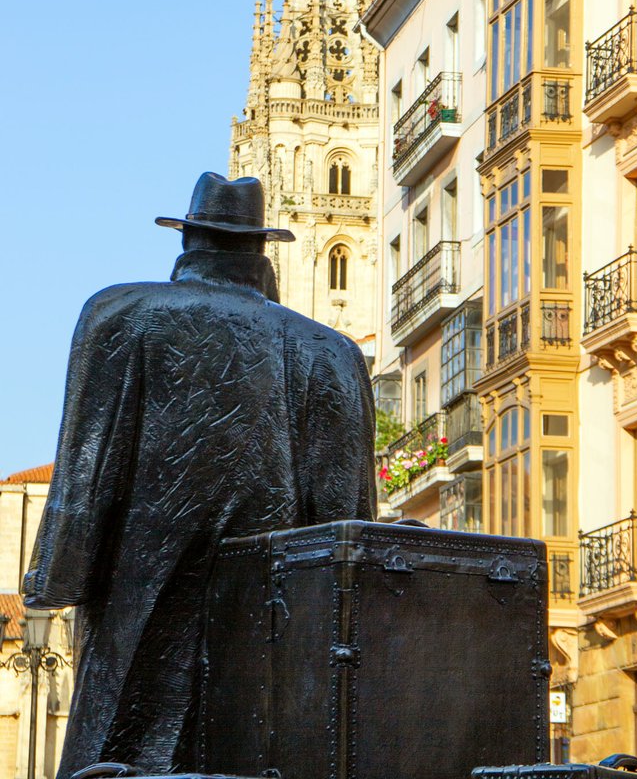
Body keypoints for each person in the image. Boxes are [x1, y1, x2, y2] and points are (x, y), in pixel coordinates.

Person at [24, 173, 376, 778]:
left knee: (121, 751)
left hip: (140, 601)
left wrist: (53, 580)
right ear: (261, 251)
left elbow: (86, 464)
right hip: (274, 628)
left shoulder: (118, 314)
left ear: (187, 241)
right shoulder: (332, 351)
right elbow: (349, 520)